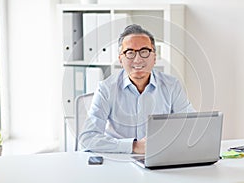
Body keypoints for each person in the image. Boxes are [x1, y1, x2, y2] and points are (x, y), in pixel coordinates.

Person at [79, 24, 195, 154]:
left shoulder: (171, 86)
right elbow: (87, 139)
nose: (138, 59)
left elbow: (191, 127)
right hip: (118, 161)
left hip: (160, 160)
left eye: (144, 51)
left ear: (154, 57)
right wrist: (134, 146)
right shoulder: (106, 89)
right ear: (121, 60)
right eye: (130, 53)